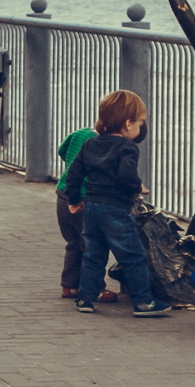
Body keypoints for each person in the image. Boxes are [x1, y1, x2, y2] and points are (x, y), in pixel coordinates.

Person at [63, 90, 173, 317]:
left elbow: (74, 175)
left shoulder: (90, 144)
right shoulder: (127, 148)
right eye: (141, 123)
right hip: (116, 210)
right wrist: (137, 186)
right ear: (128, 123)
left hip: (92, 208)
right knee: (133, 256)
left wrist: (74, 200)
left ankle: (85, 299)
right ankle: (144, 302)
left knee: (94, 256)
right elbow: (126, 176)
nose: (141, 128)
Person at [55, 126, 127, 302]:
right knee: (93, 247)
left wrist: (71, 163)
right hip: (85, 199)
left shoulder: (80, 133)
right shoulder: (107, 146)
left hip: (63, 195)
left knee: (73, 243)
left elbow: (62, 150)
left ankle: (69, 286)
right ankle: (96, 288)